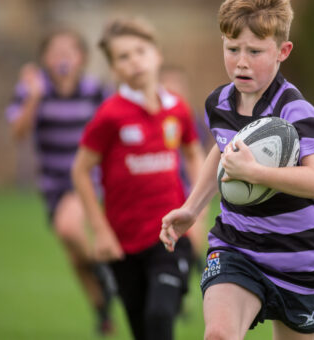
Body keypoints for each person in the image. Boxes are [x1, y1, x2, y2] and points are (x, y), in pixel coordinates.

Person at [160, 1, 314, 339]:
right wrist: (191, 208)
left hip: (299, 262)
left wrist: (256, 173)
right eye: (233, 48)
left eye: (255, 51)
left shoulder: (294, 110)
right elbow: (220, 152)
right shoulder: (219, 103)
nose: (241, 62)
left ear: (282, 51)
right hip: (236, 246)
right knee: (218, 333)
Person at [72, 17, 206, 340]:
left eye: (140, 51)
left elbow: (193, 153)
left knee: (160, 316)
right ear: (113, 68)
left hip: (170, 235)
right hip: (123, 242)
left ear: (157, 54)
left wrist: (196, 212)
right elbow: (80, 170)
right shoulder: (110, 115)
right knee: (143, 328)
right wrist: (101, 231)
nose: (134, 61)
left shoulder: (177, 109)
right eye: (123, 57)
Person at [4, 27, 114, 335]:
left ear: (82, 58)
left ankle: (108, 271)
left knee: (69, 228)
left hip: (87, 180)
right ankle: (102, 310)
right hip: (52, 185)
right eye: (55, 51)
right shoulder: (32, 90)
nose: (62, 56)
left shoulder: (94, 90)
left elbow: (114, 127)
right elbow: (18, 133)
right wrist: (34, 98)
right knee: (75, 256)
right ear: (44, 59)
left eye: (70, 50)